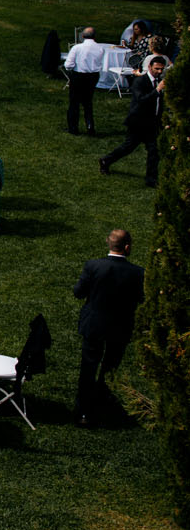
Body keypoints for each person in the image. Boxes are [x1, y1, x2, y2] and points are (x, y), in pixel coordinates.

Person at [72, 229, 145, 426]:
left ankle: (84, 411)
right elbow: (141, 298)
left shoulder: (93, 266)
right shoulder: (137, 273)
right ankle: (102, 401)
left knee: (88, 367)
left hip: (94, 324)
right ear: (127, 247)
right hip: (120, 326)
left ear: (109, 243)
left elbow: (78, 292)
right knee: (110, 366)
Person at [100, 55, 167, 185]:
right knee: (128, 147)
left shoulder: (159, 81)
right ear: (149, 67)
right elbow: (142, 100)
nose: (159, 72)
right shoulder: (140, 82)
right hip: (138, 122)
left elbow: (159, 103)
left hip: (152, 123)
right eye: (157, 69)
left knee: (154, 151)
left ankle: (151, 179)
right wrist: (158, 90)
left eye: (161, 69)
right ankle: (106, 160)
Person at [64, 26, 105, 135]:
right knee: (88, 102)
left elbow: (68, 64)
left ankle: (73, 128)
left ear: (82, 36)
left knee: (74, 102)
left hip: (79, 76)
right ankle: (90, 126)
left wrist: (71, 69)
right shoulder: (100, 48)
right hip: (93, 76)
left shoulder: (77, 48)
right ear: (94, 36)